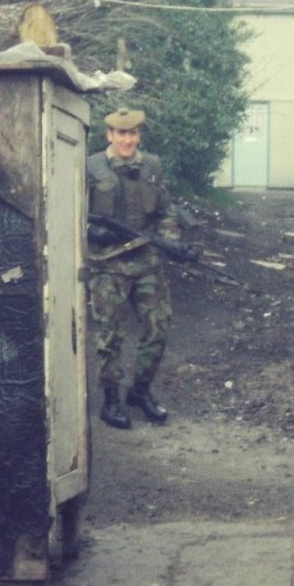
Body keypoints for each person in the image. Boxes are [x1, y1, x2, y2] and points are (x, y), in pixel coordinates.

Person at [86, 107, 179, 428]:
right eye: (122, 134)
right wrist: (91, 233)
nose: (128, 140)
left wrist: (170, 240)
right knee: (109, 336)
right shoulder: (91, 168)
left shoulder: (152, 166)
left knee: (159, 328)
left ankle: (140, 390)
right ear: (109, 135)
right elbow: (72, 211)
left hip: (146, 263)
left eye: (134, 133)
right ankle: (111, 399)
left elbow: (165, 210)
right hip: (107, 265)